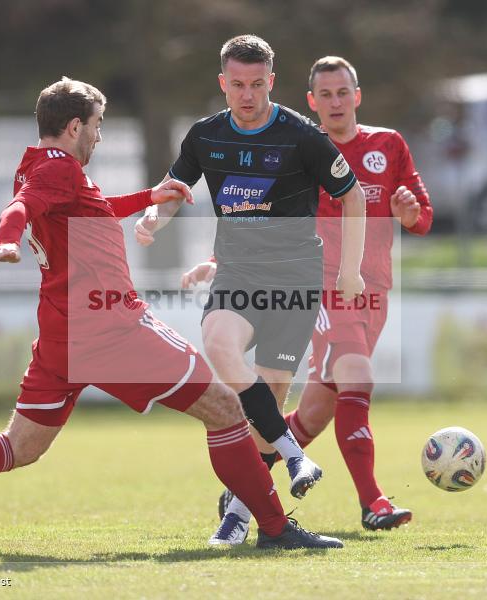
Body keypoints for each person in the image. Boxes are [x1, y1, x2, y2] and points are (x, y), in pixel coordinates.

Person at [0, 77, 343, 555]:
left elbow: (86, 210)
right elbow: (21, 207)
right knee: (225, 410)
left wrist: (147, 198)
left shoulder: (44, 165)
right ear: (75, 126)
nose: (99, 136)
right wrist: (7, 241)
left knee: (20, 445)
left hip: (63, 333)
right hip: (111, 330)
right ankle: (275, 528)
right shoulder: (56, 171)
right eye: (97, 126)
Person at [184, 56, 433, 537]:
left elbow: (422, 215)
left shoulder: (389, 145)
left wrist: (408, 214)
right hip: (320, 289)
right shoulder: (301, 150)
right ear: (311, 102)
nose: (335, 102)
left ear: (357, 96)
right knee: (358, 376)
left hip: (371, 293)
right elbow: (259, 222)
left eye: (343, 92)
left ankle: (242, 492)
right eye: (326, 94)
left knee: (318, 410)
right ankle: (372, 503)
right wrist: (222, 265)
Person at [135, 35, 368, 545]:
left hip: (295, 282)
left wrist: (350, 272)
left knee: (261, 410)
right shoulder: (205, 135)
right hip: (237, 275)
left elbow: (352, 197)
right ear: (223, 83)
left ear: (272, 82)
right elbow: (174, 190)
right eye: (237, 85)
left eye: (257, 84)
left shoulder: (301, 135)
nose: (247, 95)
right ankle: (296, 456)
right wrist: (156, 214)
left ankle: (241, 517)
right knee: (219, 345)